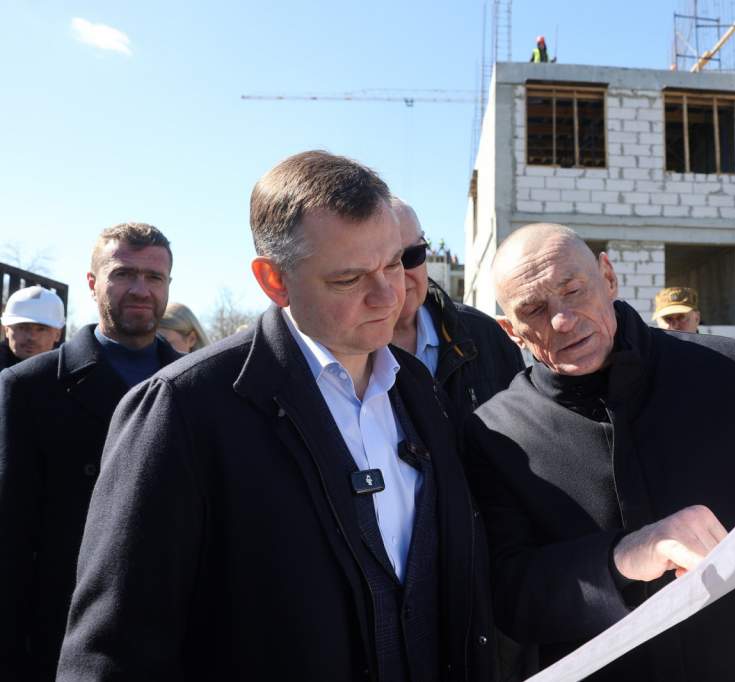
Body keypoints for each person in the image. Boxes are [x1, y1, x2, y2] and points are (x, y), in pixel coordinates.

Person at [57, 151, 494, 681]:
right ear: (274, 280)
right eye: (349, 278)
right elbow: (113, 652)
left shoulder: (421, 389)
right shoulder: (182, 409)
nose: (388, 296)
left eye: (394, 264)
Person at [463, 223, 735, 681]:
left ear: (608, 277)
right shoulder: (496, 433)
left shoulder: (729, 371)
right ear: (511, 331)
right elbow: (507, 594)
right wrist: (621, 557)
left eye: (574, 290)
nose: (562, 320)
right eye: (535, 310)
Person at [0, 222, 179, 681]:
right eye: (124, 274)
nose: (140, 289)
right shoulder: (29, 388)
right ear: (92, 282)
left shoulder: (200, 385)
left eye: (154, 277)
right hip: (67, 636)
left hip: (177, 633)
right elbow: (11, 537)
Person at [389, 198, 524, 427]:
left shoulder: (485, 334)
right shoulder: (341, 355)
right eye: (387, 263)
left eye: (412, 256)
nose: (400, 274)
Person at [0, 286, 65, 369]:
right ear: (6, 330)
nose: (31, 337)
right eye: (22, 327)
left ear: (57, 335)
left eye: (41, 329)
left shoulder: (70, 374)